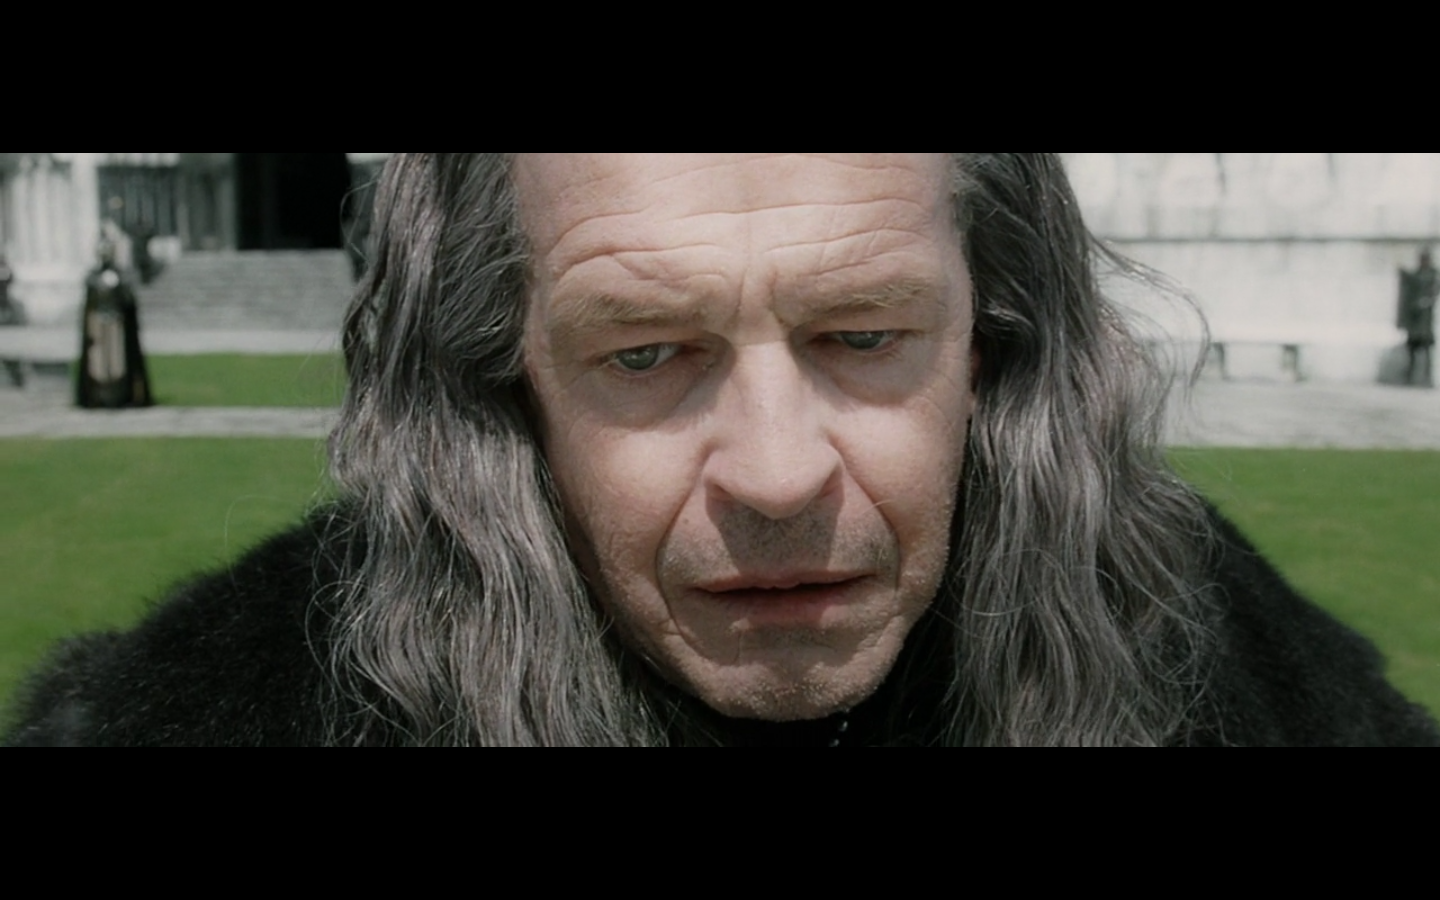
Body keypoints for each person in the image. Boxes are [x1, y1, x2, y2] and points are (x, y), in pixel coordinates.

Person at [6, 154, 1437, 747]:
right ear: (506, 383)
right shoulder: (223, 713)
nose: (776, 472)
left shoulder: (1237, 684)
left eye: (863, 335)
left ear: (992, 345)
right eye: (645, 354)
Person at [75, 241, 152, 409]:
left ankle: (121, 394)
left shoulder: (121, 276)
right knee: (98, 363)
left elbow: (128, 302)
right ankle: (98, 396)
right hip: (98, 326)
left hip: (117, 324)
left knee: (118, 361)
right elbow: (90, 304)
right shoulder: (93, 277)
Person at [1399, 251, 1437, 387]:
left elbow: (1434, 290)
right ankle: (1410, 377)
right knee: (1412, 350)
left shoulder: (1433, 275)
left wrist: (1427, 300)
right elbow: (1411, 284)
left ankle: (1427, 378)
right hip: (1415, 322)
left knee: (1426, 351)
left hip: (1425, 323)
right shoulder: (1417, 274)